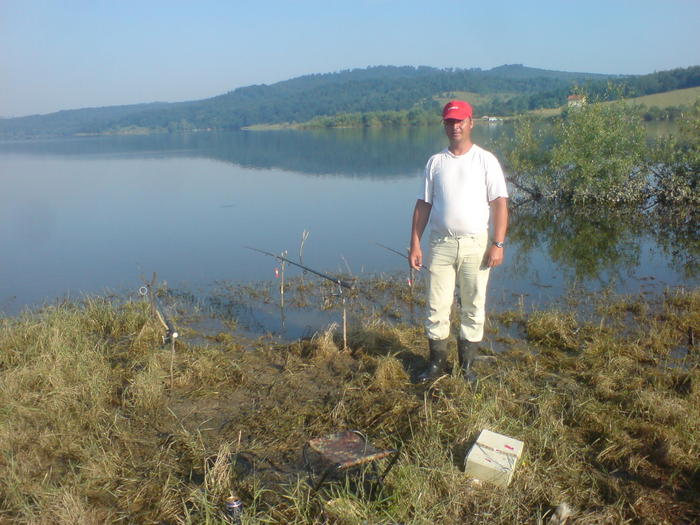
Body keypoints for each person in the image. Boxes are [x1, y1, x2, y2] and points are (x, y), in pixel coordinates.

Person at [409, 100, 508, 382]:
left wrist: (497, 244)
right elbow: (423, 205)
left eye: (460, 121)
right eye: (450, 122)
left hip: (476, 244)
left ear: (470, 123)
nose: (455, 126)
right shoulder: (436, 162)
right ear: (444, 125)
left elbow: (500, 204)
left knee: (473, 306)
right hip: (441, 244)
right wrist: (415, 243)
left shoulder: (485, 160)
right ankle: (436, 366)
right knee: (436, 306)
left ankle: (467, 368)